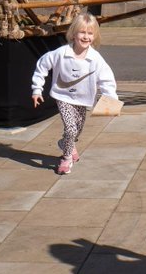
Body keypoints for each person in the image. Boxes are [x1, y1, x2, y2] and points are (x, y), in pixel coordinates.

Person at [31, 11, 118, 175]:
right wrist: (37, 89)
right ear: (73, 34)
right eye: (82, 32)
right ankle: (66, 158)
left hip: (83, 99)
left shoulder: (95, 59)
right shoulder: (61, 53)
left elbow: (106, 79)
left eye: (90, 33)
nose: (86, 37)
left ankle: (65, 143)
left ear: (95, 36)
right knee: (70, 129)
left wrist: (111, 99)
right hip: (63, 96)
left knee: (77, 130)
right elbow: (42, 65)